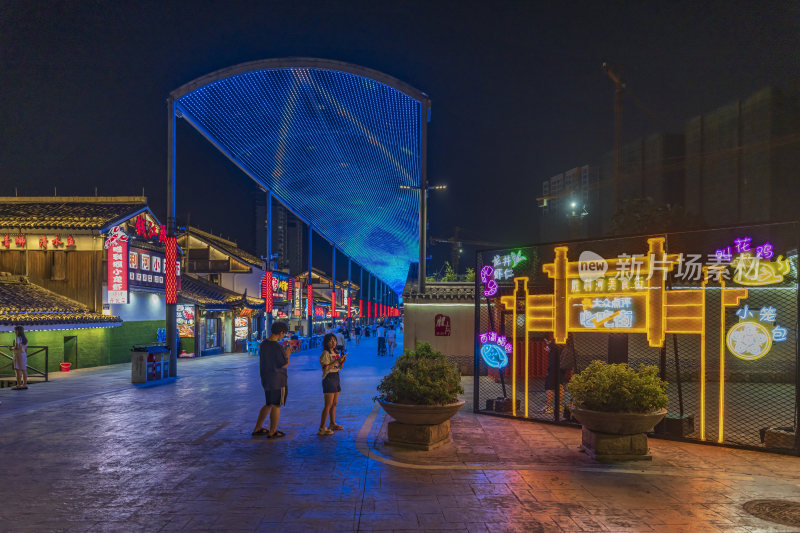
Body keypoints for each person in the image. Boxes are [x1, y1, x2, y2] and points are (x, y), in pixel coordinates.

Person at [252, 321, 292, 438]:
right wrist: (288, 354)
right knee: (276, 405)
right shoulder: (277, 346)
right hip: (278, 380)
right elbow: (284, 364)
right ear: (281, 332)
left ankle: (258, 427)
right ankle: (272, 431)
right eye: (284, 333)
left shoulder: (264, 344)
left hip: (266, 379)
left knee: (268, 403)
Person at [318, 333, 346, 436]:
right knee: (328, 405)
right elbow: (325, 368)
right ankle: (321, 428)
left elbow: (338, 367)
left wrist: (342, 362)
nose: (333, 342)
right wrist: (336, 362)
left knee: (334, 403)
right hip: (328, 378)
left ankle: (332, 423)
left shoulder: (336, 352)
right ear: (326, 342)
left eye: (334, 340)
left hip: (336, 377)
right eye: (331, 340)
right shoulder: (325, 353)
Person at [12, 325, 28, 390]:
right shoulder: (25, 339)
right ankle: (25, 384)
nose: (14, 331)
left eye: (15, 330)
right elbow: (26, 349)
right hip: (24, 354)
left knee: (18, 370)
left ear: (18, 331)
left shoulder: (18, 338)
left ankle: (19, 385)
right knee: (24, 370)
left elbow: (17, 347)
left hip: (18, 355)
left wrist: (12, 348)